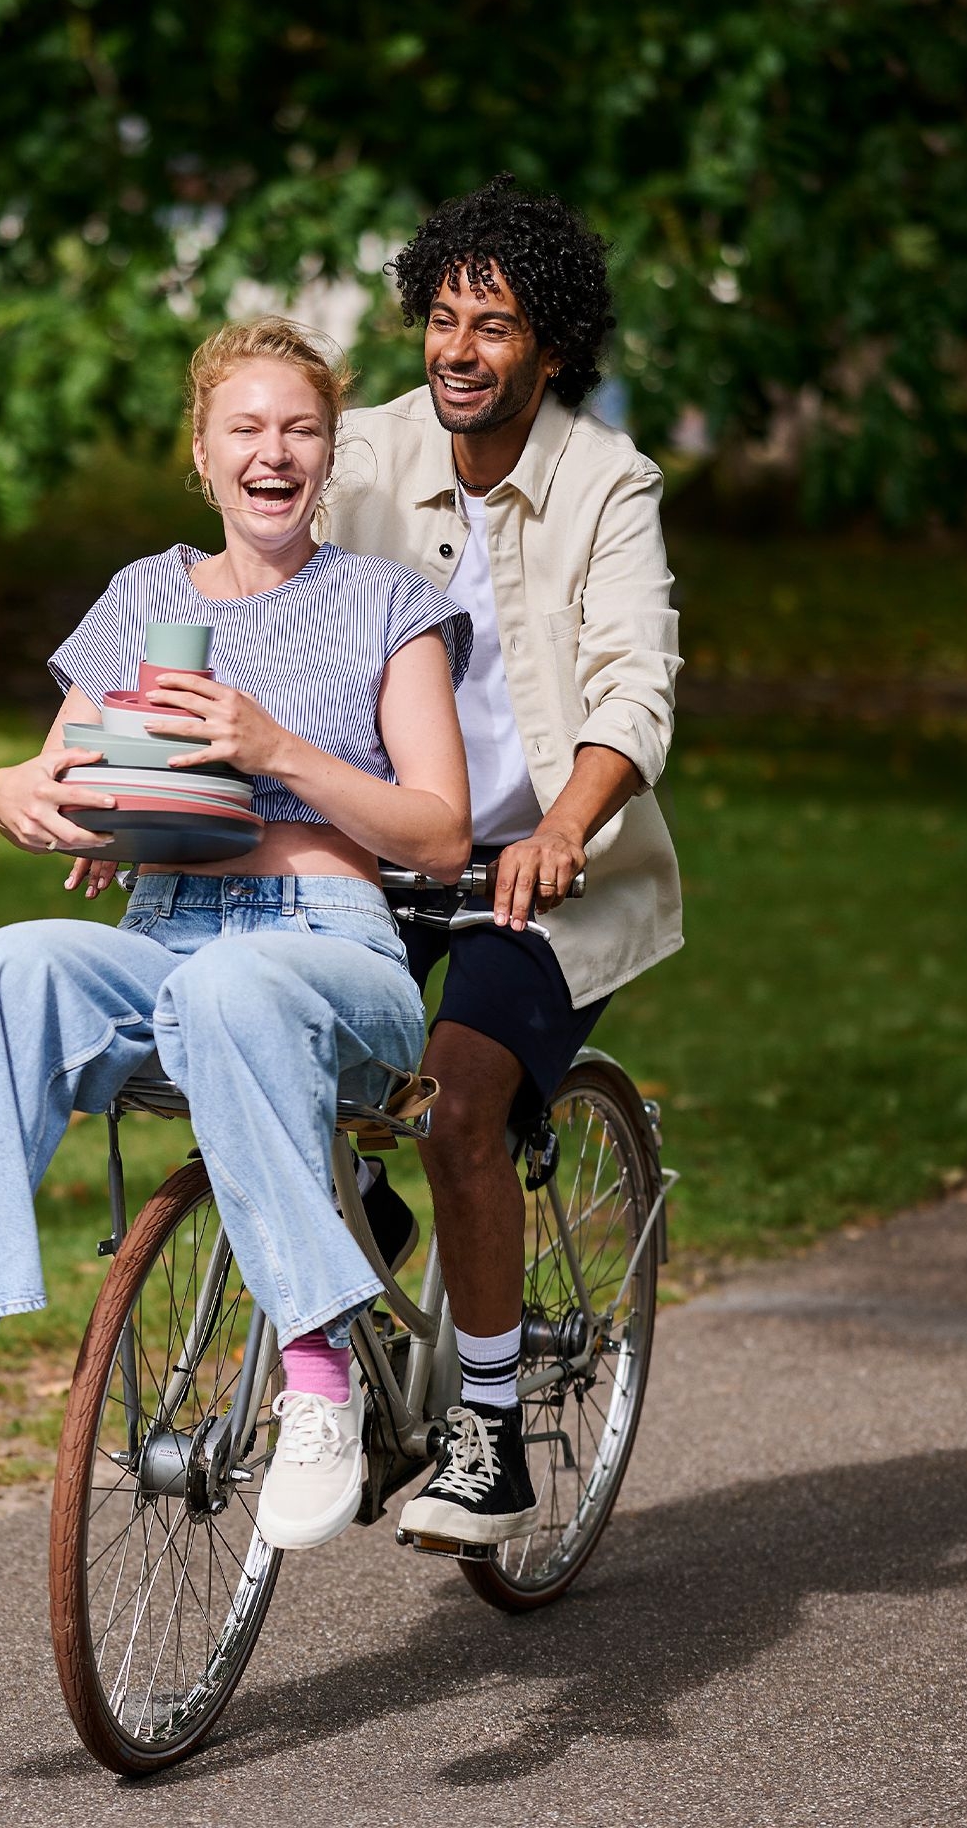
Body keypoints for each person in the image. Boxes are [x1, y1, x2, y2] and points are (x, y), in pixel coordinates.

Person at [0, 318, 474, 1551]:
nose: (275, 451)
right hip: (165, 935)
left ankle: (315, 1380)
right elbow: (55, 765)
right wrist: (16, 790)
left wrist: (275, 750)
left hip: (330, 949)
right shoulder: (144, 597)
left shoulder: (389, 606)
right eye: (246, 429)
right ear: (202, 456)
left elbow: (434, 834)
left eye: (302, 429)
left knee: (233, 989)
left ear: (330, 457)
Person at [323, 175, 683, 1547]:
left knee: (464, 1106)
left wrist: (556, 826)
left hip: (546, 869)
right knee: (267, 1047)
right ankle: (359, 1257)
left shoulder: (608, 482)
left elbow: (633, 691)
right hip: (383, 840)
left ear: (551, 348)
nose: (460, 350)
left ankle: (488, 1436)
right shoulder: (359, 456)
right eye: (444, 317)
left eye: (498, 325)